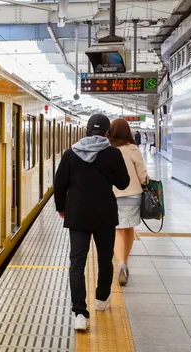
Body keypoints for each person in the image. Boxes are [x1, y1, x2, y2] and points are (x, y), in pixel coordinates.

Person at [54, 114, 130, 331]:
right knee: (105, 259)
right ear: (107, 133)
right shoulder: (113, 153)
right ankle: (101, 299)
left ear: (87, 130)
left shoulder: (71, 153)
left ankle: (79, 313)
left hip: (77, 215)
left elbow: (59, 184)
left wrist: (61, 208)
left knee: (77, 263)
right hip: (104, 215)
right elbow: (123, 184)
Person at [107, 119, 148, 286]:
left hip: (112, 195)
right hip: (132, 196)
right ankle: (125, 263)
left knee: (117, 231)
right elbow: (143, 175)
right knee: (129, 229)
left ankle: (120, 263)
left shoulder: (107, 150)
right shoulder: (133, 149)